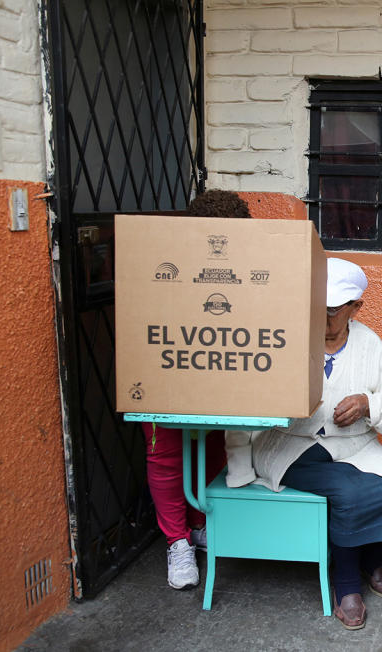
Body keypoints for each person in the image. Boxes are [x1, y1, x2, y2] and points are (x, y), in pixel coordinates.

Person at [225, 258, 382, 631]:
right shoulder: (287, 338)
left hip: (353, 445)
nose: (321, 318)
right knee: (348, 493)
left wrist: (368, 404)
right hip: (289, 445)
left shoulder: (369, 342)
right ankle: (346, 585)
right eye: (316, 308)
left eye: (331, 311)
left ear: (356, 308)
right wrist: (240, 465)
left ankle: (371, 557)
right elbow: (245, 397)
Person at [143, 189, 250, 590]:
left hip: (219, 376)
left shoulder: (247, 268)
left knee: (212, 449)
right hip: (167, 375)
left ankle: (201, 523)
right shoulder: (165, 265)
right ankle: (177, 541)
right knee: (166, 454)